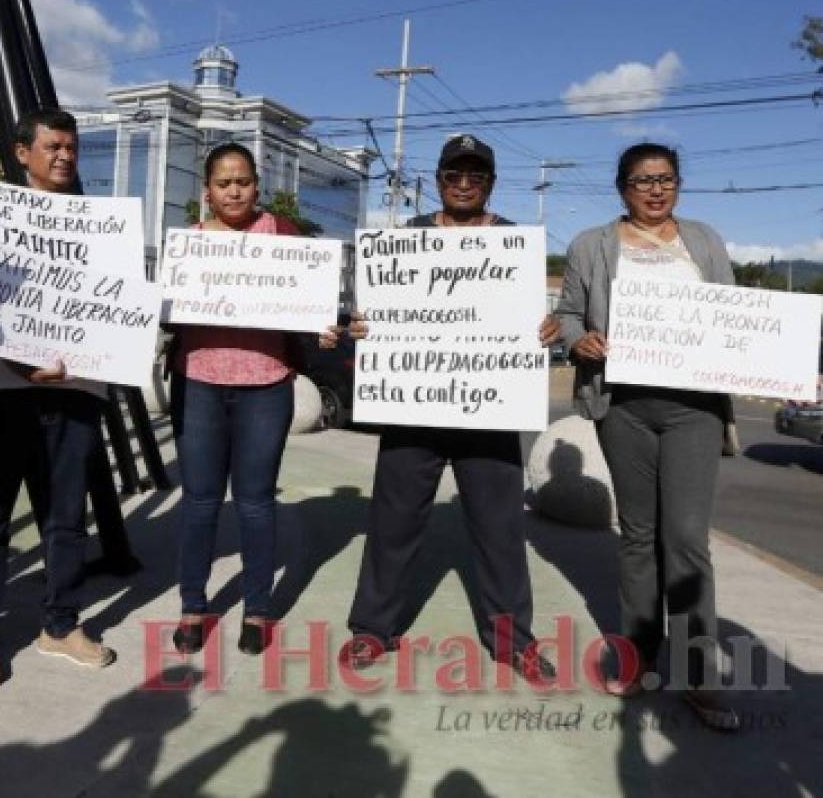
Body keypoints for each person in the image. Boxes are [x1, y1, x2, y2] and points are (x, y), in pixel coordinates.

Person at [342, 133, 559, 683]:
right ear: (437, 181)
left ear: (490, 184)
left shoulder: (514, 244)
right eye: (453, 175)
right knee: (391, 523)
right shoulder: (407, 240)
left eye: (475, 176)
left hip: (488, 408)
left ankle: (512, 640)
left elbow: (532, 321)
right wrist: (364, 326)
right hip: (413, 406)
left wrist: (546, 330)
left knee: (501, 529)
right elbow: (368, 315)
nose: (463, 184)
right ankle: (372, 629)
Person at [555, 142, 740, 731]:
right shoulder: (591, 245)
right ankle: (636, 660)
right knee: (637, 537)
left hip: (694, 410)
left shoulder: (705, 241)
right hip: (625, 408)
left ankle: (696, 674)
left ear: (678, 184)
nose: (656, 191)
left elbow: (735, 317)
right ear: (621, 188)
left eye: (666, 180)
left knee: (686, 541)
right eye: (642, 181)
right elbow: (567, 314)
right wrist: (577, 340)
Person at [0, 108, 119, 687]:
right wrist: (20, 360)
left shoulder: (103, 225)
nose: (65, 156)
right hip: (2, 387)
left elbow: (112, 308)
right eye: (52, 146)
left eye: (72, 147)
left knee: (67, 515)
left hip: (75, 388)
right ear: (22, 153)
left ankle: (61, 624)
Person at [167, 142, 345, 657]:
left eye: (242, 180)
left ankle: (258, 608)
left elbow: (310, 301)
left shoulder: (283, 236)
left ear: (257, 185)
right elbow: (164, 309)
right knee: (199, 501)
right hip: (199, 382)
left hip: (266, 386)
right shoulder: (190, 244)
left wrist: (322, 329)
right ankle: (193, 606)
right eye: (223, 183)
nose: (234, 190)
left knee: (256, 502)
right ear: (208, 190)